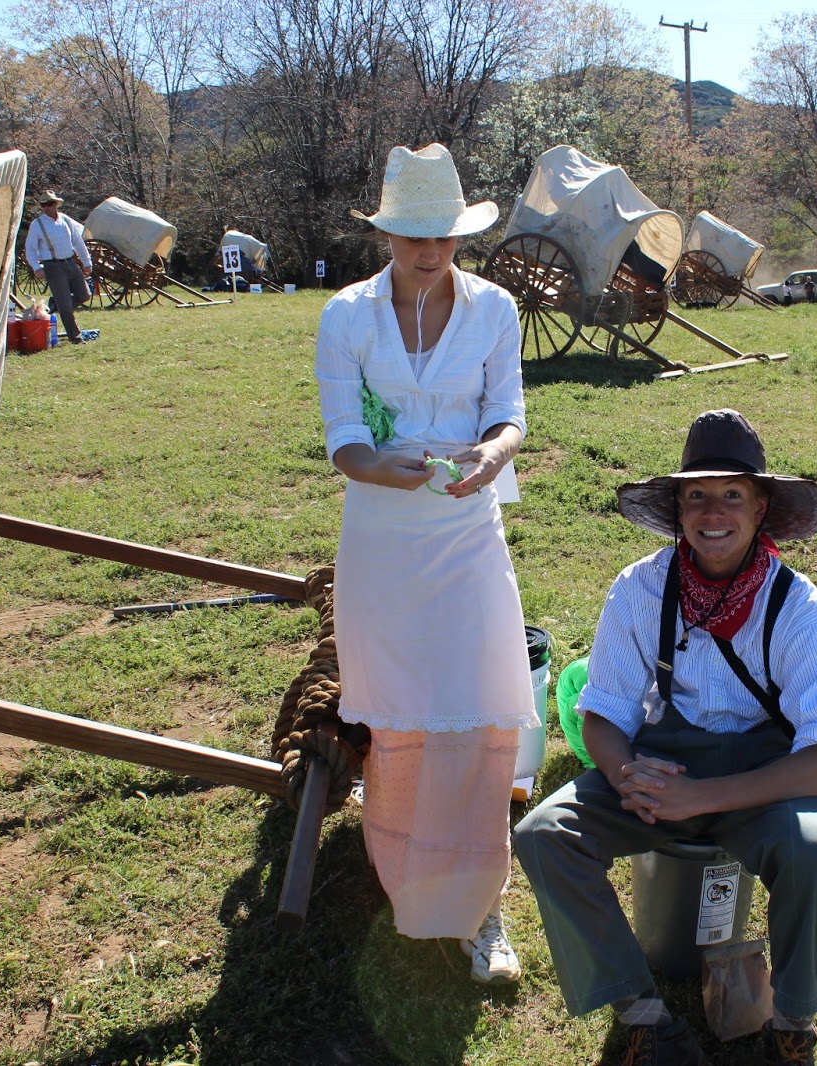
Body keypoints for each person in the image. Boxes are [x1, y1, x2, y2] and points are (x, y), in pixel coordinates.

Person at [514, 409, 817, 1065]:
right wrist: (627, 775)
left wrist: (704, 797)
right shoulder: (641, 588)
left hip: (761, 783)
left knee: (815, 850)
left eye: (732, 494)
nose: (713, 512)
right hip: (663, 766)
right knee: (544, 834)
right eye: (696, 494)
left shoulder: (796, 605)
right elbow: (603, 713)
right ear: (677, 510)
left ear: (760, 509)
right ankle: (646, 1020)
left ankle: (791, 1027)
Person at [314, 143, 536, 984]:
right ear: (386, 234)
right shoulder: (347, 315)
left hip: (467, 529)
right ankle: (404, 871)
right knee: (402, 712)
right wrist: (383, 467)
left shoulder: (495, 308)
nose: (430, 250)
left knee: (479, 705)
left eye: (443, 235)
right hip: (382, 535)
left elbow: (509, 412)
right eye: (414, 235)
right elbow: (344, 438)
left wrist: (491, 454)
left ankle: (483, 902)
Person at [24, 191, 94, 345]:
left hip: (70, 262)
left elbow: (78, 242)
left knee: (84, 295)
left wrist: (87, 262)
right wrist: (36, 267)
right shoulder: (37, 224)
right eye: (43, 205)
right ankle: (75, 337)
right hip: (52, 266)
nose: (46, 208)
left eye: (49, 204)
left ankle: (57, 305)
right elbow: (30, 249)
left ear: (56, 204)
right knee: (66, 306)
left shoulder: (65, 220)